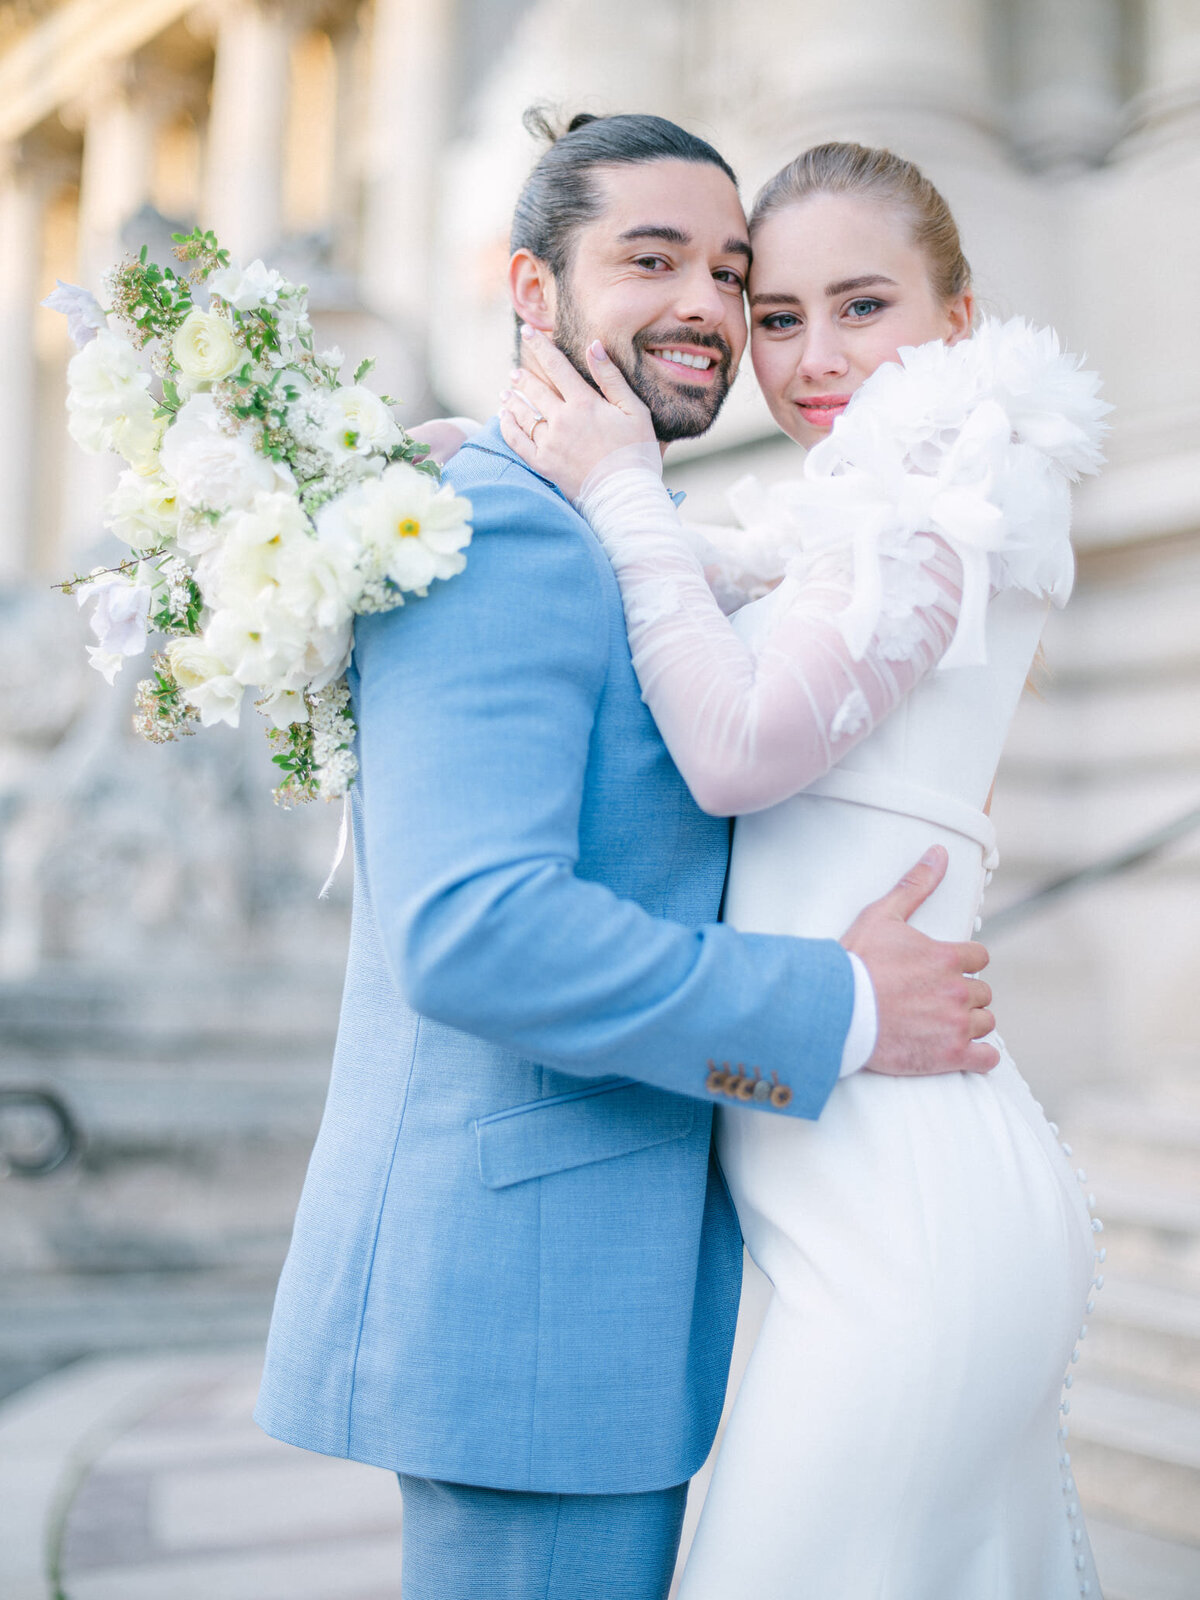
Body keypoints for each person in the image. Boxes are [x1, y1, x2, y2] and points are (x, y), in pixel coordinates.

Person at [254, 115, 998, 1600]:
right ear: (533, 290)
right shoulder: (499, 528)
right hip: (530, 1303)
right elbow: (477, 935)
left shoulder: (585, 519)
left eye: (732, 273)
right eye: (650, 261)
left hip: (600, 1281)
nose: (711, 310)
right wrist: (839, 1006)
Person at [498, 140, 1108, 1596]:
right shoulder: (839, 524)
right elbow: (739, 594)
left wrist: (628, 494)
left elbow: (738, 750)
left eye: (864, 306)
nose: (814, 357)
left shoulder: (949, 497)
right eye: (777, 316)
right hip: (849, 1202)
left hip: (915, 1217)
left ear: (958, 322)